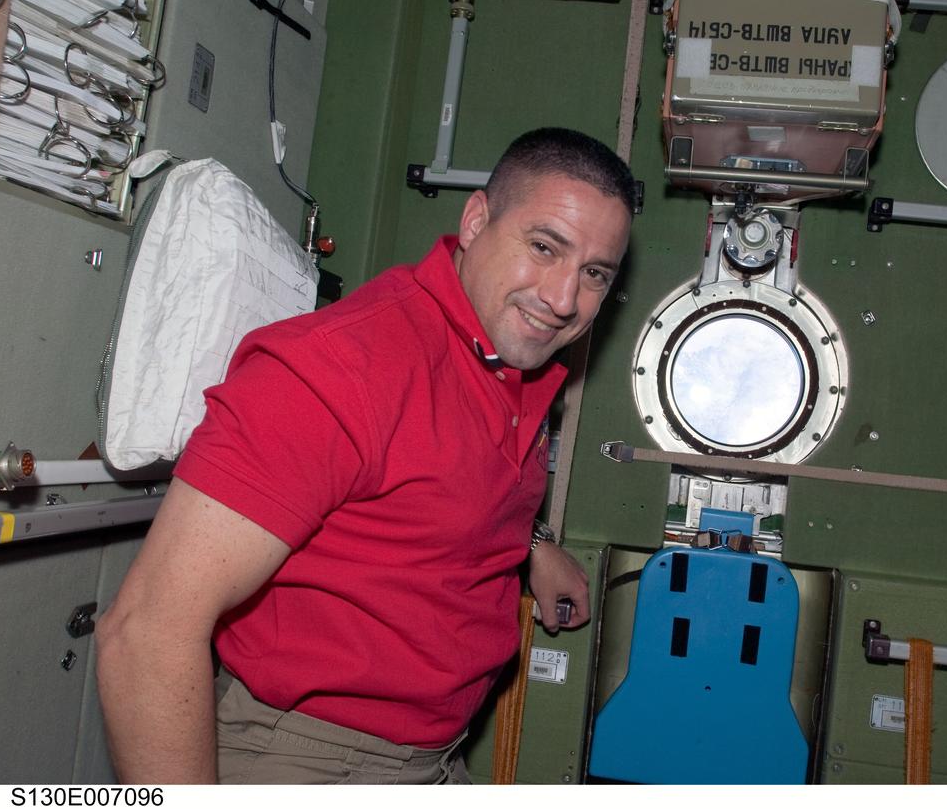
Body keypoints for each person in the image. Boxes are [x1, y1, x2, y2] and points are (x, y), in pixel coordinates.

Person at [95, 127, 636, 784]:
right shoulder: (338, 369)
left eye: (594, 274)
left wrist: (533, 546)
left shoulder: (504, 366)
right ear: (475, 221)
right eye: (544, 247)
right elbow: (145, 632)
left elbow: (436, 496)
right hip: (314, 759)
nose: (562, 299)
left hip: (435, 755)